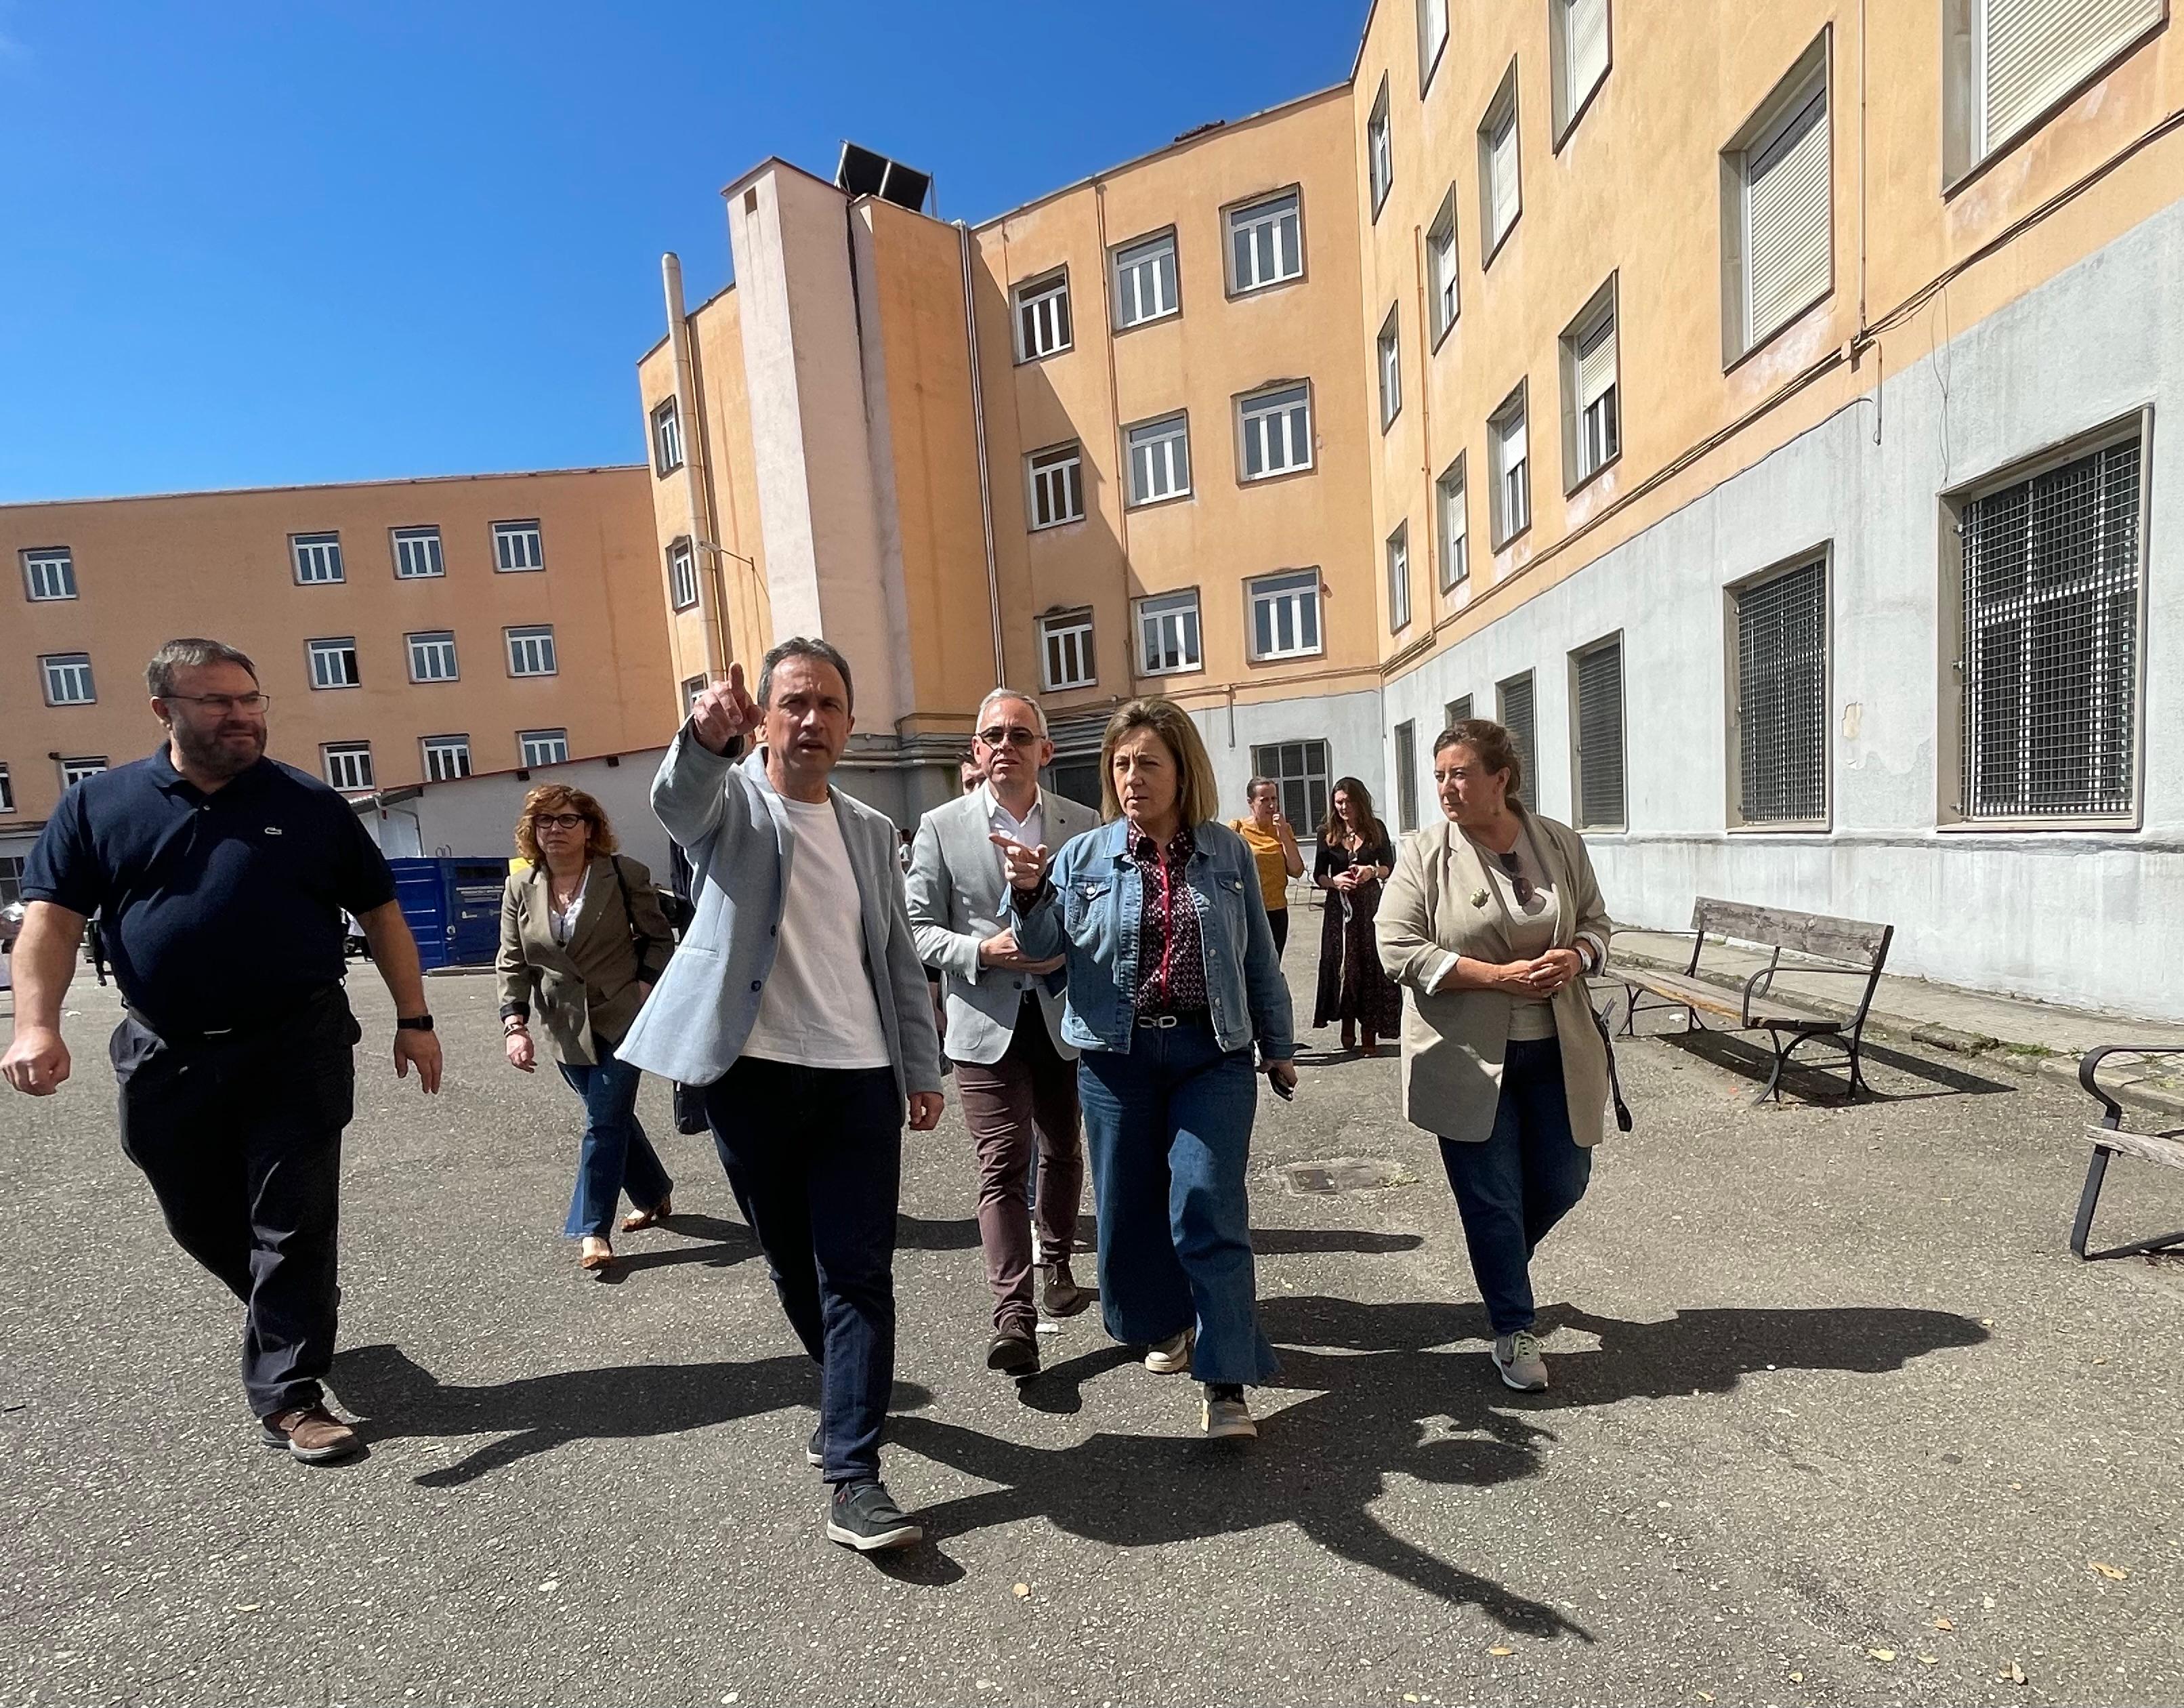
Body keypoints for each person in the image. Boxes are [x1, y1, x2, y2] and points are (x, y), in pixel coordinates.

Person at [0, 638, 442, 1464]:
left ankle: (290, 1396)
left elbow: (381, 912)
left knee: (294, 1219)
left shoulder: (309, 803)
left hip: (296, 1042)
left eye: (251, 699)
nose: (241, 716)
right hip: (166, 1048)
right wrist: (37, 1023)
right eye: (217, 702)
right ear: (164, 709)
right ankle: (294, 1306)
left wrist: (412, 1017)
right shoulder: (99, 806)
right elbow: (51, 922)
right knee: (196, 1210)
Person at [614, 637, 942, 1553]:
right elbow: (674, 802)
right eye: (794, 702)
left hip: (858, 1081)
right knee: (792, 1265)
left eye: (829, 704)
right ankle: (843, 1400)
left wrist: (921, 1069)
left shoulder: (874, 833)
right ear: (763, 715)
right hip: (750, 1078)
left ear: (848, 721)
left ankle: (853, 1473)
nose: (812, 720)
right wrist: (701, 737)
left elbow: (897, 962)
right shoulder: (732, 806)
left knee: (858, 1274)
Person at [994, 698, 1296, 1441]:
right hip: (1115, 1057)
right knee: (1128, 1215)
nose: (1131, 777)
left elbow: (1258, 954)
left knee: (1206, 1202)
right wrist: (1029, 890)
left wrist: (1277, 1043)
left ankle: (1226, 1381)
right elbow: (1037, 945)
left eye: (1147, 763)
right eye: (1120, 764)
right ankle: (1162, 1320)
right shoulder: (1083, 856)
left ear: (1181, 769)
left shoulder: (1225, 853)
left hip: (1211, 1054)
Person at [1375, 719, 1614, 1394]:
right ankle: (1513, 1326)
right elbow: (1395, 948)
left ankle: (1500, 1258)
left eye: (1460, 774)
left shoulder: (1558, 842)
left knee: (1564, 1179)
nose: (1447, 789)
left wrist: (1576, 955)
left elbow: (1596, 923)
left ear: (1500, 778)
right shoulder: (1422, 852)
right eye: (1440, 776)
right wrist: (1495, 977)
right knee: (1490, 1198)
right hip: (1464, 1057)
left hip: (1557, 1051)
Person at [906, 688, 1099, 1377]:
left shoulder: (1082, 824)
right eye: (993, 736)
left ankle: (1058, 1261)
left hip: (1059, 1014)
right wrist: (978, 952)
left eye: (1020, 735)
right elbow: (917, 929)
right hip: (983, 1020)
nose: (1005, 747)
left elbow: (1103, 920)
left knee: (1061, 1148)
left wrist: (1059, 939)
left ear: (1044, 751)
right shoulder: (939, 827)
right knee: (1000, 1164)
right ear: (977, 750)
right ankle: (1012, 1316)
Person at [497, 785, 677, 1276]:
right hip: (564, 1027)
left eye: (567, 819)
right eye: (545, 821)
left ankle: (592, 1228)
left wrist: (644, 988)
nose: (555, 829)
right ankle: (654, 1190)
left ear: (590, 827)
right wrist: (516, 1024)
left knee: (603, 1122)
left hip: (623, 1018)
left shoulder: (623, 874)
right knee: (612, 1116)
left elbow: (659, 938)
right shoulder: (521, 887)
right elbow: (512, 961)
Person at [1313, 776, 1402, 1056]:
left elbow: (1389, 865)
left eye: (1347, 801)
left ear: (1359, 802)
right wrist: (1335, 882)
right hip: (1339, 909)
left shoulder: (1376, 829)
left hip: (1369, 906)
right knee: (1344, 965)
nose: (1342, 807)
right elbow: (1319, 875)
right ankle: (1347, 1021)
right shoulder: (1326, 832)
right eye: (1338, 802)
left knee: (1371, 964)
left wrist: (1371, 872)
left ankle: (1370, 1029)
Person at [1228, 778, 1305, 959]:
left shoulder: (1283, 829)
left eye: (1274, 799)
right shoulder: (1238, 829)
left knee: (1272, 966)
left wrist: (1284, 835)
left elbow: (1297, 870)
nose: (1271, 805)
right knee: (1248, 968)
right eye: (1264, 800)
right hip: (1248, 911)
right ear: (1251, 803)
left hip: (1276, 911)